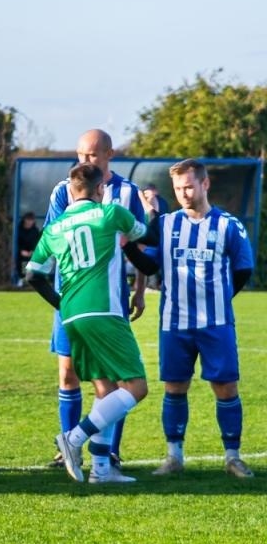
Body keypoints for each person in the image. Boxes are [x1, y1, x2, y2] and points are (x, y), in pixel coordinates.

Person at [26, 163, 149, 484]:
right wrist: (150, 210)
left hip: (72, 316)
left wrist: (61, 304)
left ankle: (101, 470)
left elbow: (32, 274)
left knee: (106, 389)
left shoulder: (54, 228)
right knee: (137, 387)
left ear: (69, 191)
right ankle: (74, 437)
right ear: (100, 189)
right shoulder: (111, 213)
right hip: (105, 312)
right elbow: (144, 234)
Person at [148, 160, 254, 477]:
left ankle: (233, 457)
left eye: (189, 186)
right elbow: (148, 263)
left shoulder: (228, 225)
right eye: (178, 188)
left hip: (216, 323)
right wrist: (128, 247)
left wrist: (218, 298)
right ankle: (173, 456)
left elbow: (243, 269)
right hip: (174, 323)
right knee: (174, 387)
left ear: (205, 184)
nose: (183, 193)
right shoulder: (166, 224)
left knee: (226, 387)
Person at [15, 212, 41, 287]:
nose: (29, 222)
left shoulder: (35, 231)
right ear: (24, 220)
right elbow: (17, 242)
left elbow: (37, 243)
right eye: (28, 220)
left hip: (32, 253)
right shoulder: (19, 230)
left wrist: (33, 252)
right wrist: (21, 251)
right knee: (22, 260)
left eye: (31, 220)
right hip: (21, 253)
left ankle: (29, 280)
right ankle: (22, 279)